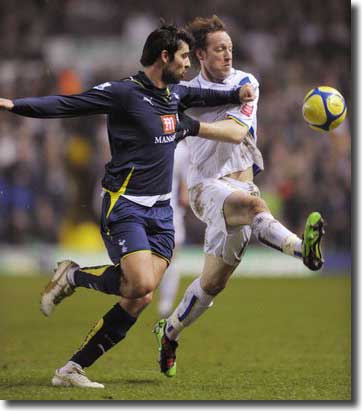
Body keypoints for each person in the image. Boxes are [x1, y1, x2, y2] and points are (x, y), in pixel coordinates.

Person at [0, 23, 256, 388]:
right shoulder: (123, 93)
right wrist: (13, 104)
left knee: (141, 294)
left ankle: (71, 365)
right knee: (137, 284)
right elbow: (67, 104)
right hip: (126, 205)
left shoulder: (175, 94)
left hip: (162, 213)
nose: (188, 64)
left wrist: (237, 92)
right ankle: (72, 277)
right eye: (184, 56)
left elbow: (205, 97)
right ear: (164, 57)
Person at [153, 16, 325, 378]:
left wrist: (192, 126)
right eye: (219, 49)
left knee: (213, 284)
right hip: (206, 187)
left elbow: (234, 133)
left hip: (242, 185)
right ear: (200, 54)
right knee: (254, 207)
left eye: (230, 47)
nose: (228, 54)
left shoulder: (247, 83)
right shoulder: (185, 91)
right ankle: (303, 251)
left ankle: (168, 333)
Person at [158, 139, 189, 317]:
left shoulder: (182, 150)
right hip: (154, 208)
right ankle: (164, 301)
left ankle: (166, 301)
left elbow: (185, 183)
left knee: (171, 256)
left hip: (170, 210)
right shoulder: (181, 149)